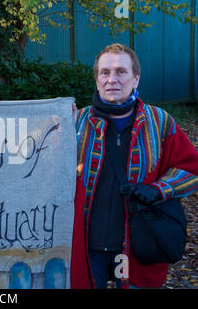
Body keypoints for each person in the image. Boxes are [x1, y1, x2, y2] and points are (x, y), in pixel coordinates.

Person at [70, 43, 198, 289]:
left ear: (136, 78)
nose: (112, 79)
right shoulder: (77, 123)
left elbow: (191, 168)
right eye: (104, 73)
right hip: (87, 247)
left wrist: (159, 189)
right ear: (97, 80)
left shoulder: (159, 122)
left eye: (121, 72)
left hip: (133, 248)